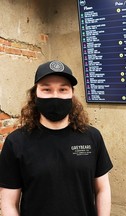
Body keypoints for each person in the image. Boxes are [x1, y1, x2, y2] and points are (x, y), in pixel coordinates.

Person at [0, 60, 113, 216]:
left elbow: (102, 189)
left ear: (72, 94)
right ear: (35, 94)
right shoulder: (16, 142)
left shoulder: (92, 137)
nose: (55, 96)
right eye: (46, 89)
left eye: (62, 89)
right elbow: (8, 202)